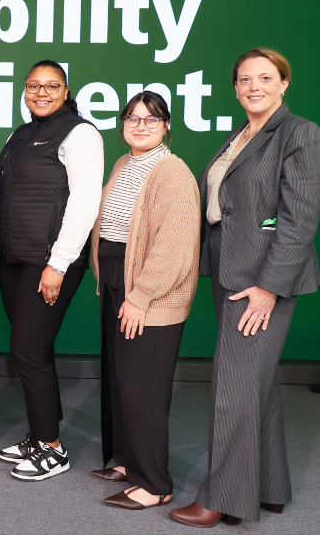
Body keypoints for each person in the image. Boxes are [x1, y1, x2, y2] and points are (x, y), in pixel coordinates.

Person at [171, 48, 320, 527]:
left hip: (261, 280)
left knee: (234, 385)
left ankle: (222, 498)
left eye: (265, 77)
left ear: (284, 83)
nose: (254, 86)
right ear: (235, 88)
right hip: (230, 271)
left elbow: (300, 220)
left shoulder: (299, 133)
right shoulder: (240, 136)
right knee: (255, 382)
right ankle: (270, 488)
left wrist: (269, 287)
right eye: (245, 79)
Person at [89, 91, 200, 510]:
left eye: (151, 119)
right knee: (122, 378)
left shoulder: (173, 173)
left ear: (166, 126)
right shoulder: (124, 163)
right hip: (118, 278)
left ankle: (154, 484)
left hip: (150, 291)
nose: (140, 126)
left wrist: (141, 296)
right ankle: (127, 462)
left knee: (143, 386)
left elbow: (174, 246)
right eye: (132, 118)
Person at [0, 59, 103, 480]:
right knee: (33, 350)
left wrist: (58, 264)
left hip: (50, 262)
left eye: (51, 85)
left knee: (27, 349)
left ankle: (53, 449)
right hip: (13, 260)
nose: (41, 92)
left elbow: (84, 202)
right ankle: (40, 435)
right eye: (33, 85)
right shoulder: (20, 134)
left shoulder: (81, 134)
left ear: (66, 91)